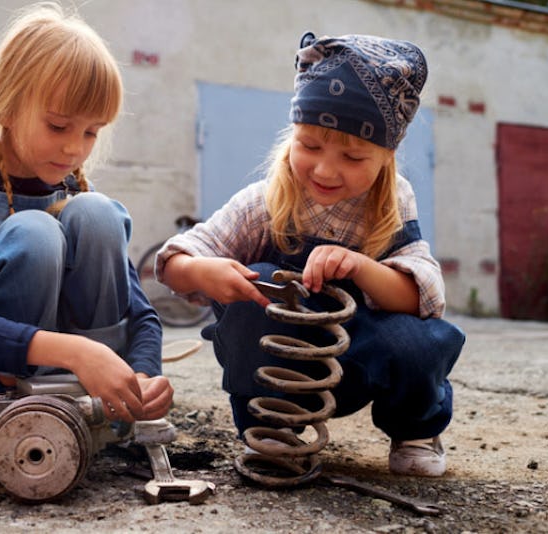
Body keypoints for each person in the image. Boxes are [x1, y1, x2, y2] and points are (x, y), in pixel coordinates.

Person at [156, 32, 464, 477]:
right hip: (285, 369)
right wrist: (203, 271)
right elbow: (174, 262)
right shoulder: (266, 201)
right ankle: (274, 433)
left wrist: (360, 266)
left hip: (362, 358)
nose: (324, 170)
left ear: (386, 157)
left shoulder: (391, 201)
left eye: (353, 156)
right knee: (257, 283)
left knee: (417, 340)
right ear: (292, 134)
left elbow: (425, 296)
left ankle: (415, 428)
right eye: (310, 146)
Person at [0, 2, 172, 434]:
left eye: (92, 131)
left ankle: (102, 410)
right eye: (58, 126)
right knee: (35, 231)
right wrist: (75, 353)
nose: (75, 149)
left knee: (97, 213)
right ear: (9, 108)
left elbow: (140, 311)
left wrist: (142, 375)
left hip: (77, 377)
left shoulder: (73, 188)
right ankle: (23, 406)